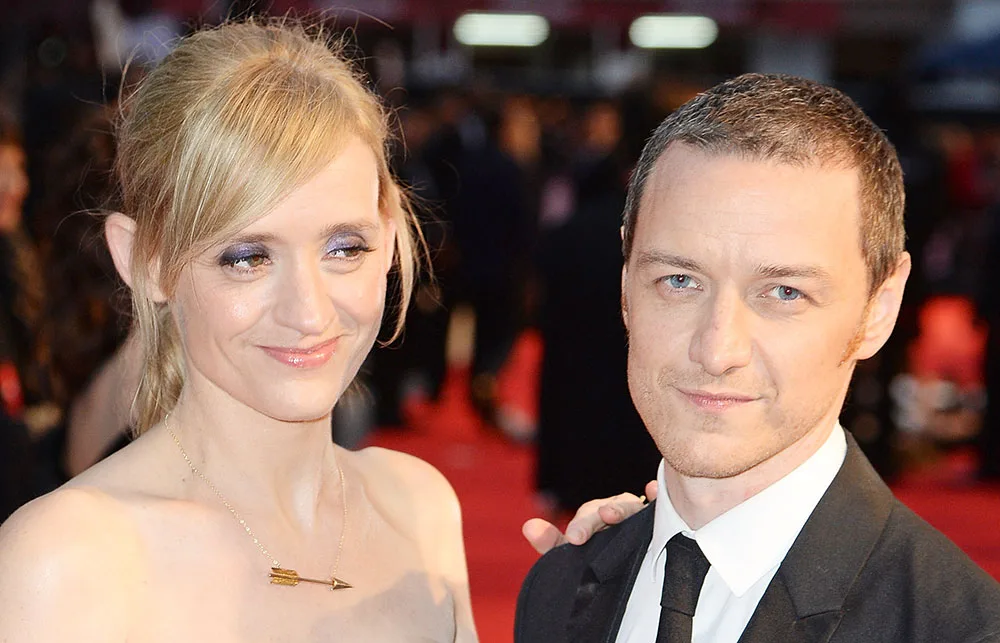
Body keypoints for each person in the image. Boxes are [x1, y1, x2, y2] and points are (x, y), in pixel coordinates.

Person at [515, 73, 1000, 643]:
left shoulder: (956, 628)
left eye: (784, 293)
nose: (717, 350)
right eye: (679, 280)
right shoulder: (560, 589)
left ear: (879, 309)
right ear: (626, 287)